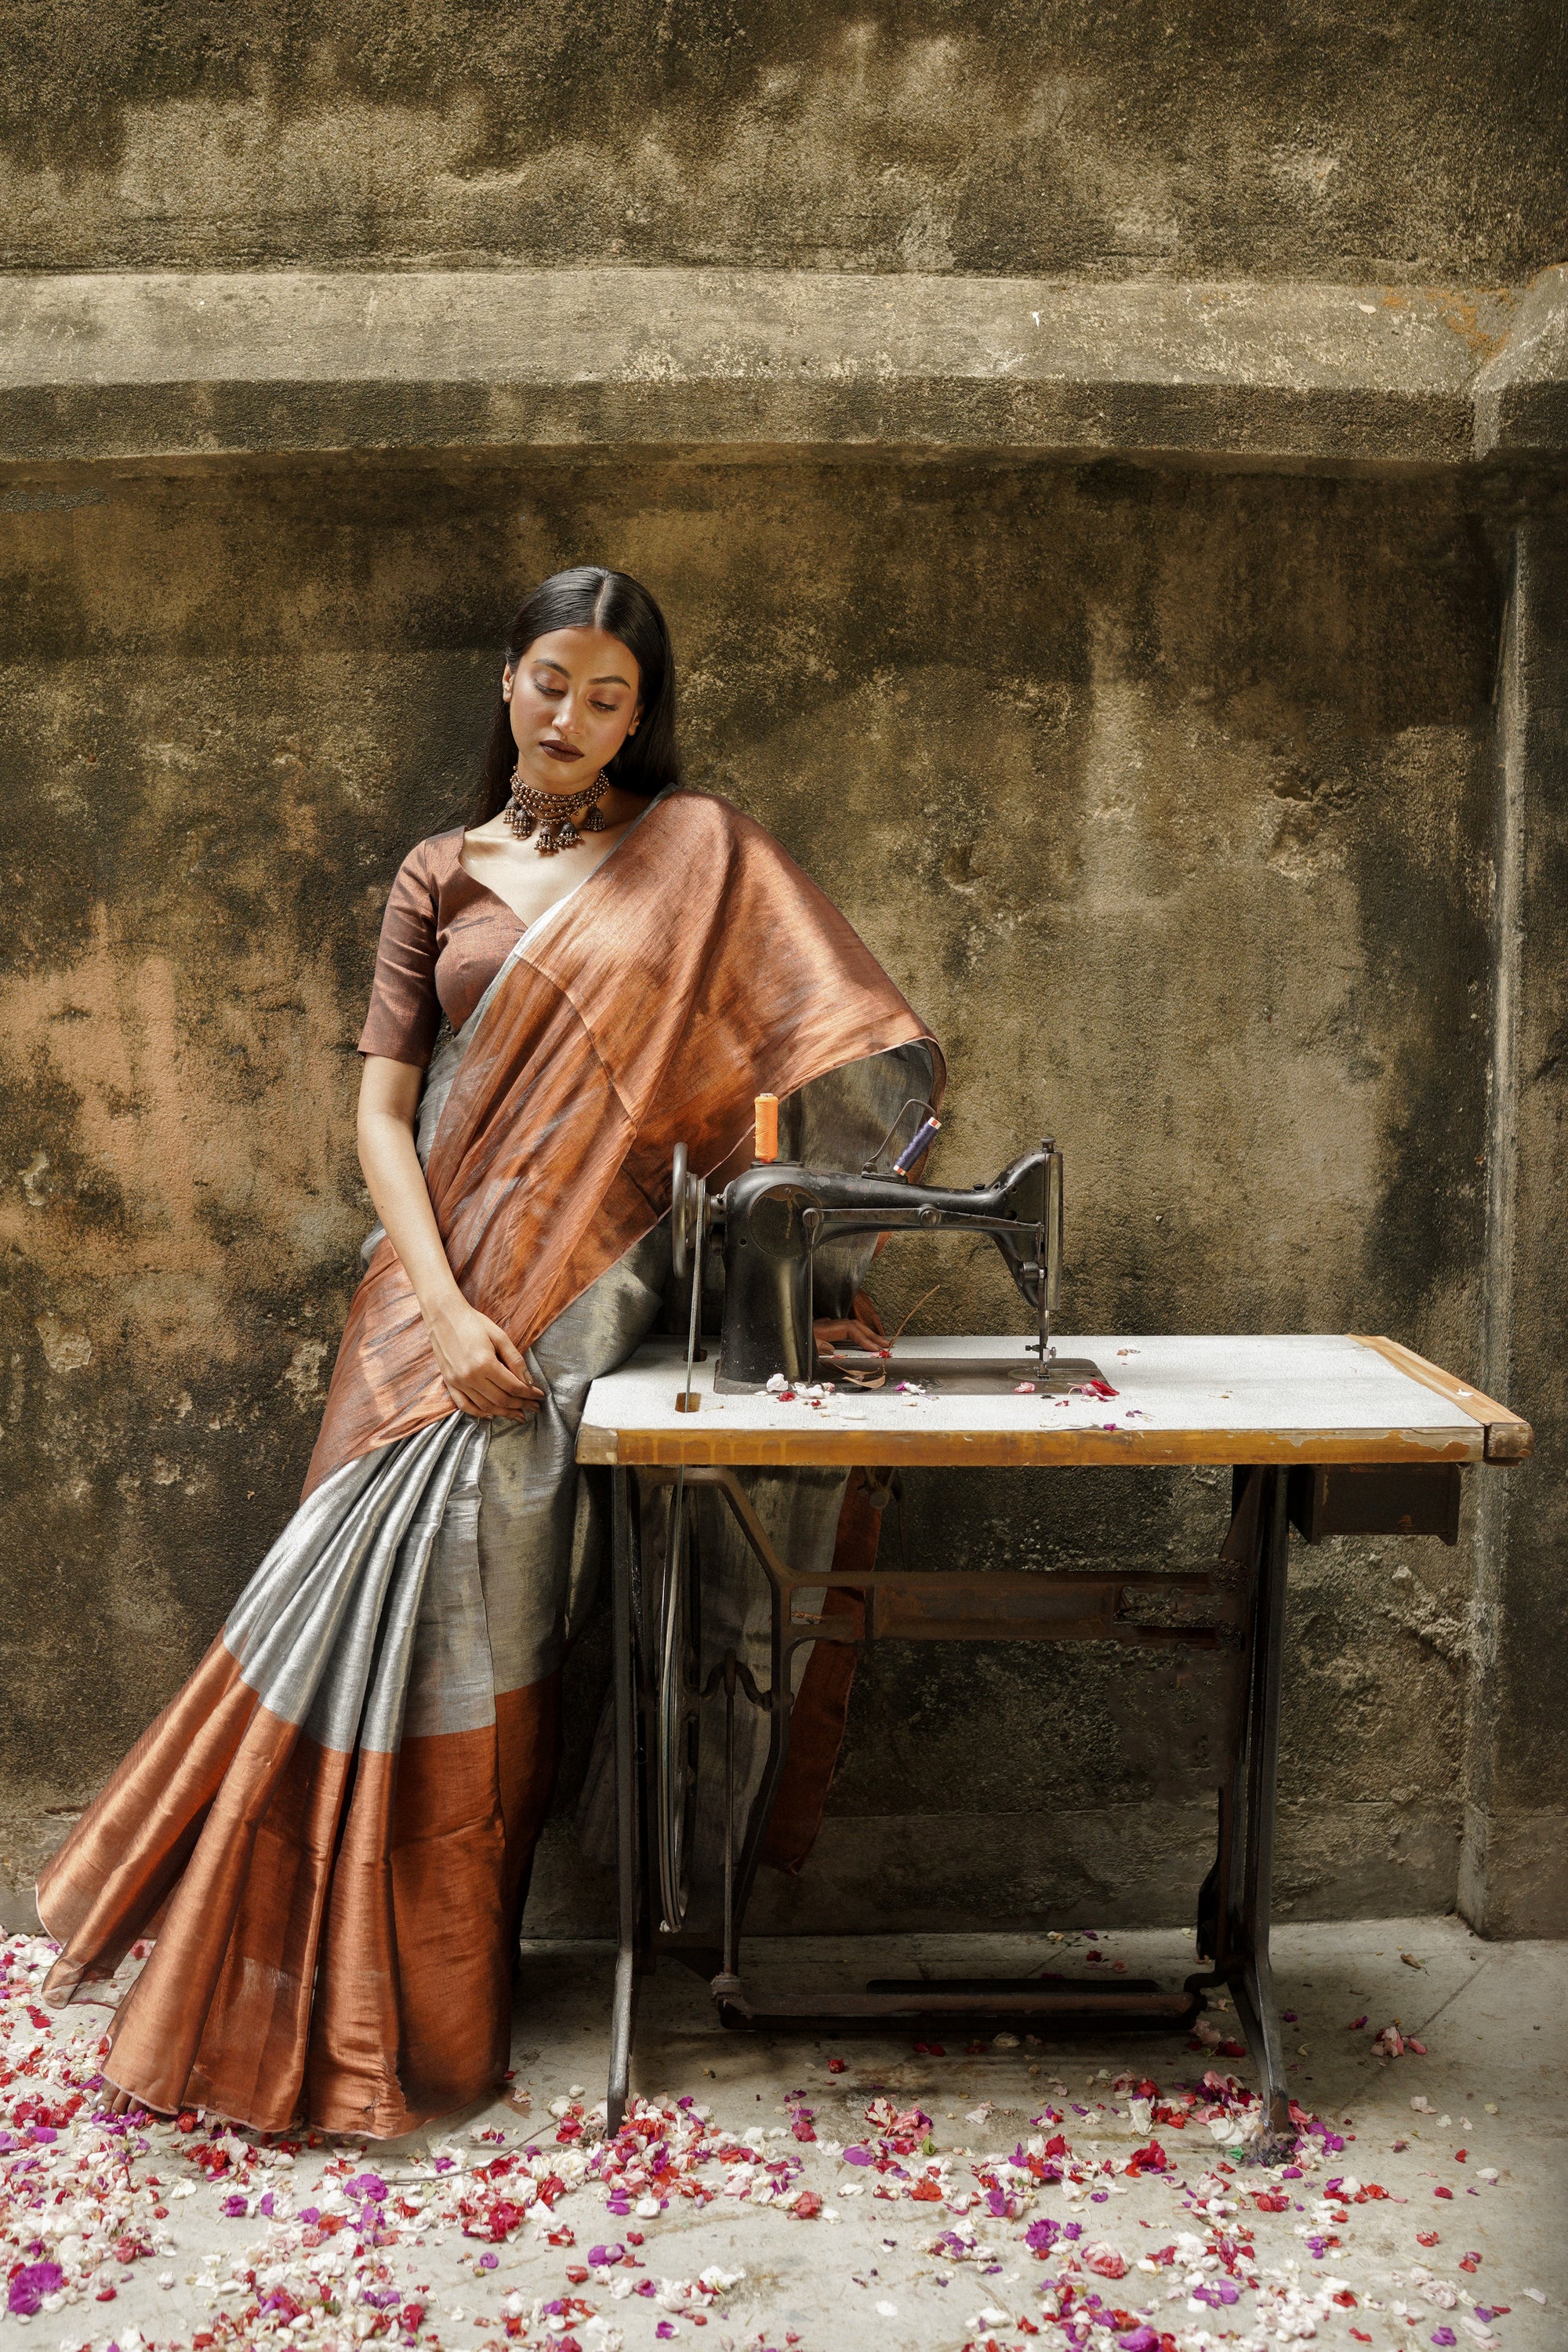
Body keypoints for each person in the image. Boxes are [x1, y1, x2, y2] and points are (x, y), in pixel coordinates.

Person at [37, 567, 940, 2139]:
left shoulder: (703, 862)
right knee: (340, 1627)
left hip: (577, 1327)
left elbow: (801, 1082)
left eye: (611, 695)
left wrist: (809, 1279)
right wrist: (449, 1313)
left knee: (502, 1669)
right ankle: (278, 1987)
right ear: (506, 684)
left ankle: (435, 2012)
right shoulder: (436, 875)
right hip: (424, 1315)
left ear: (640, 714)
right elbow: (382, 1112)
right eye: (552, 682)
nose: (576, 716)